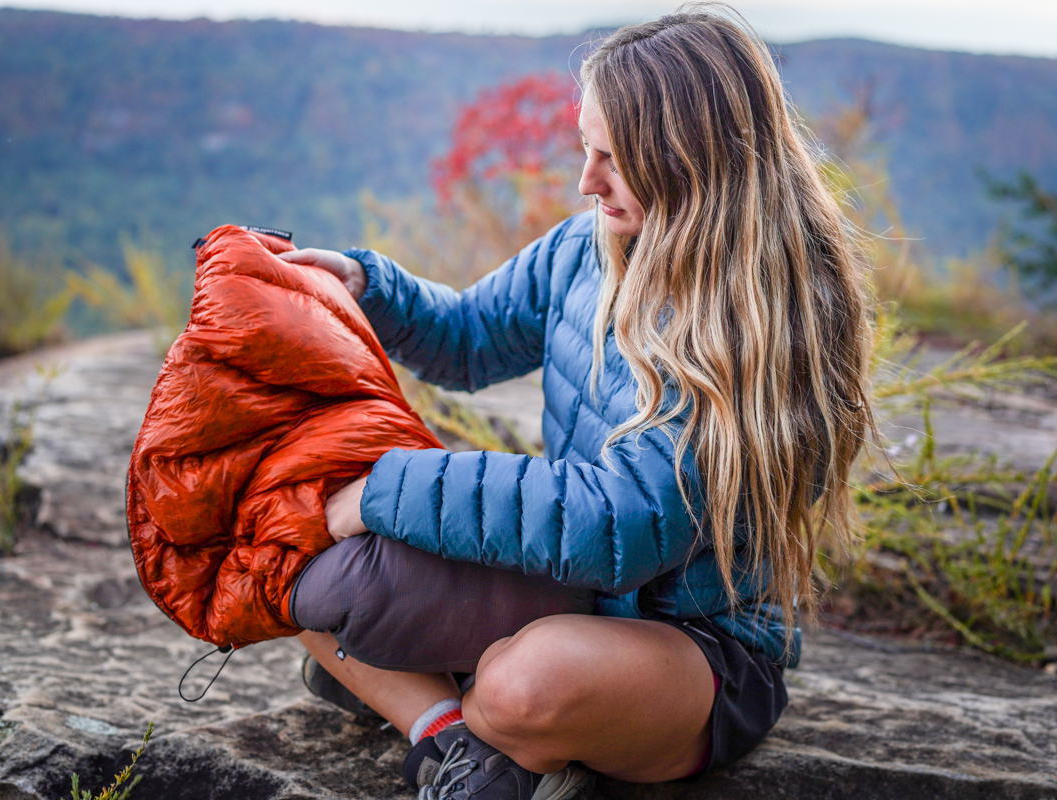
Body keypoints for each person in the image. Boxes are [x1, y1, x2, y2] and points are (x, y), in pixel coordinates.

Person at [275, 6, 874, 799]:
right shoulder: (585, 247)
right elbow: (470, 339)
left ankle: (437, 699)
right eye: (585, 148)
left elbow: (612, 526)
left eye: (613, 159)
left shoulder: (763, 326)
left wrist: (389, 493)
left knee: (527, 684)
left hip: (691, 647)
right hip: (567, 588)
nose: (587, 180)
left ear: (691, 161)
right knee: (282, 537)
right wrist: (369, 291)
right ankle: (449, 737)